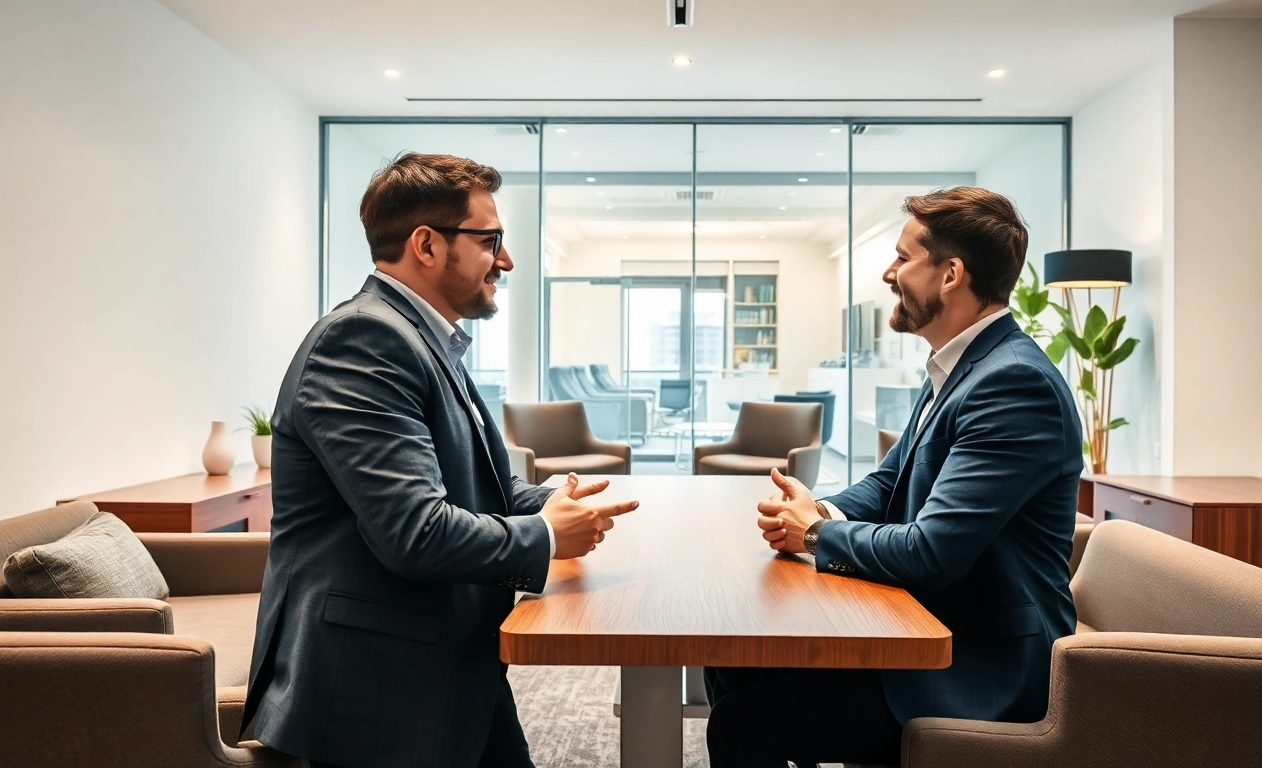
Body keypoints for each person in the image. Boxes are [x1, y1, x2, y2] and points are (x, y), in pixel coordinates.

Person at [240, 153, 638, 768]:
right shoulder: (362, 341)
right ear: (427, 245)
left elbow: (477, 486)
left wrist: (562, 502)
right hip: (377, 687)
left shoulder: (422, 338)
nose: (505, 261)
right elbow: (416, 532)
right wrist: (545, 534)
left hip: (445, 656)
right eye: (490, 241)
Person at [705, 187, 1083, 766]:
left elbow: (932, 552)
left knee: (740, 724)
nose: (888, 273)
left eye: (903, 258)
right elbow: (889, 483)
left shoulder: (1013, 383)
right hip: (927, 624)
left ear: (950, 274)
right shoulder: (960, 367)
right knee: (731, 661)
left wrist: (815, 534)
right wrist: (817, 509)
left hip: (979, 665)